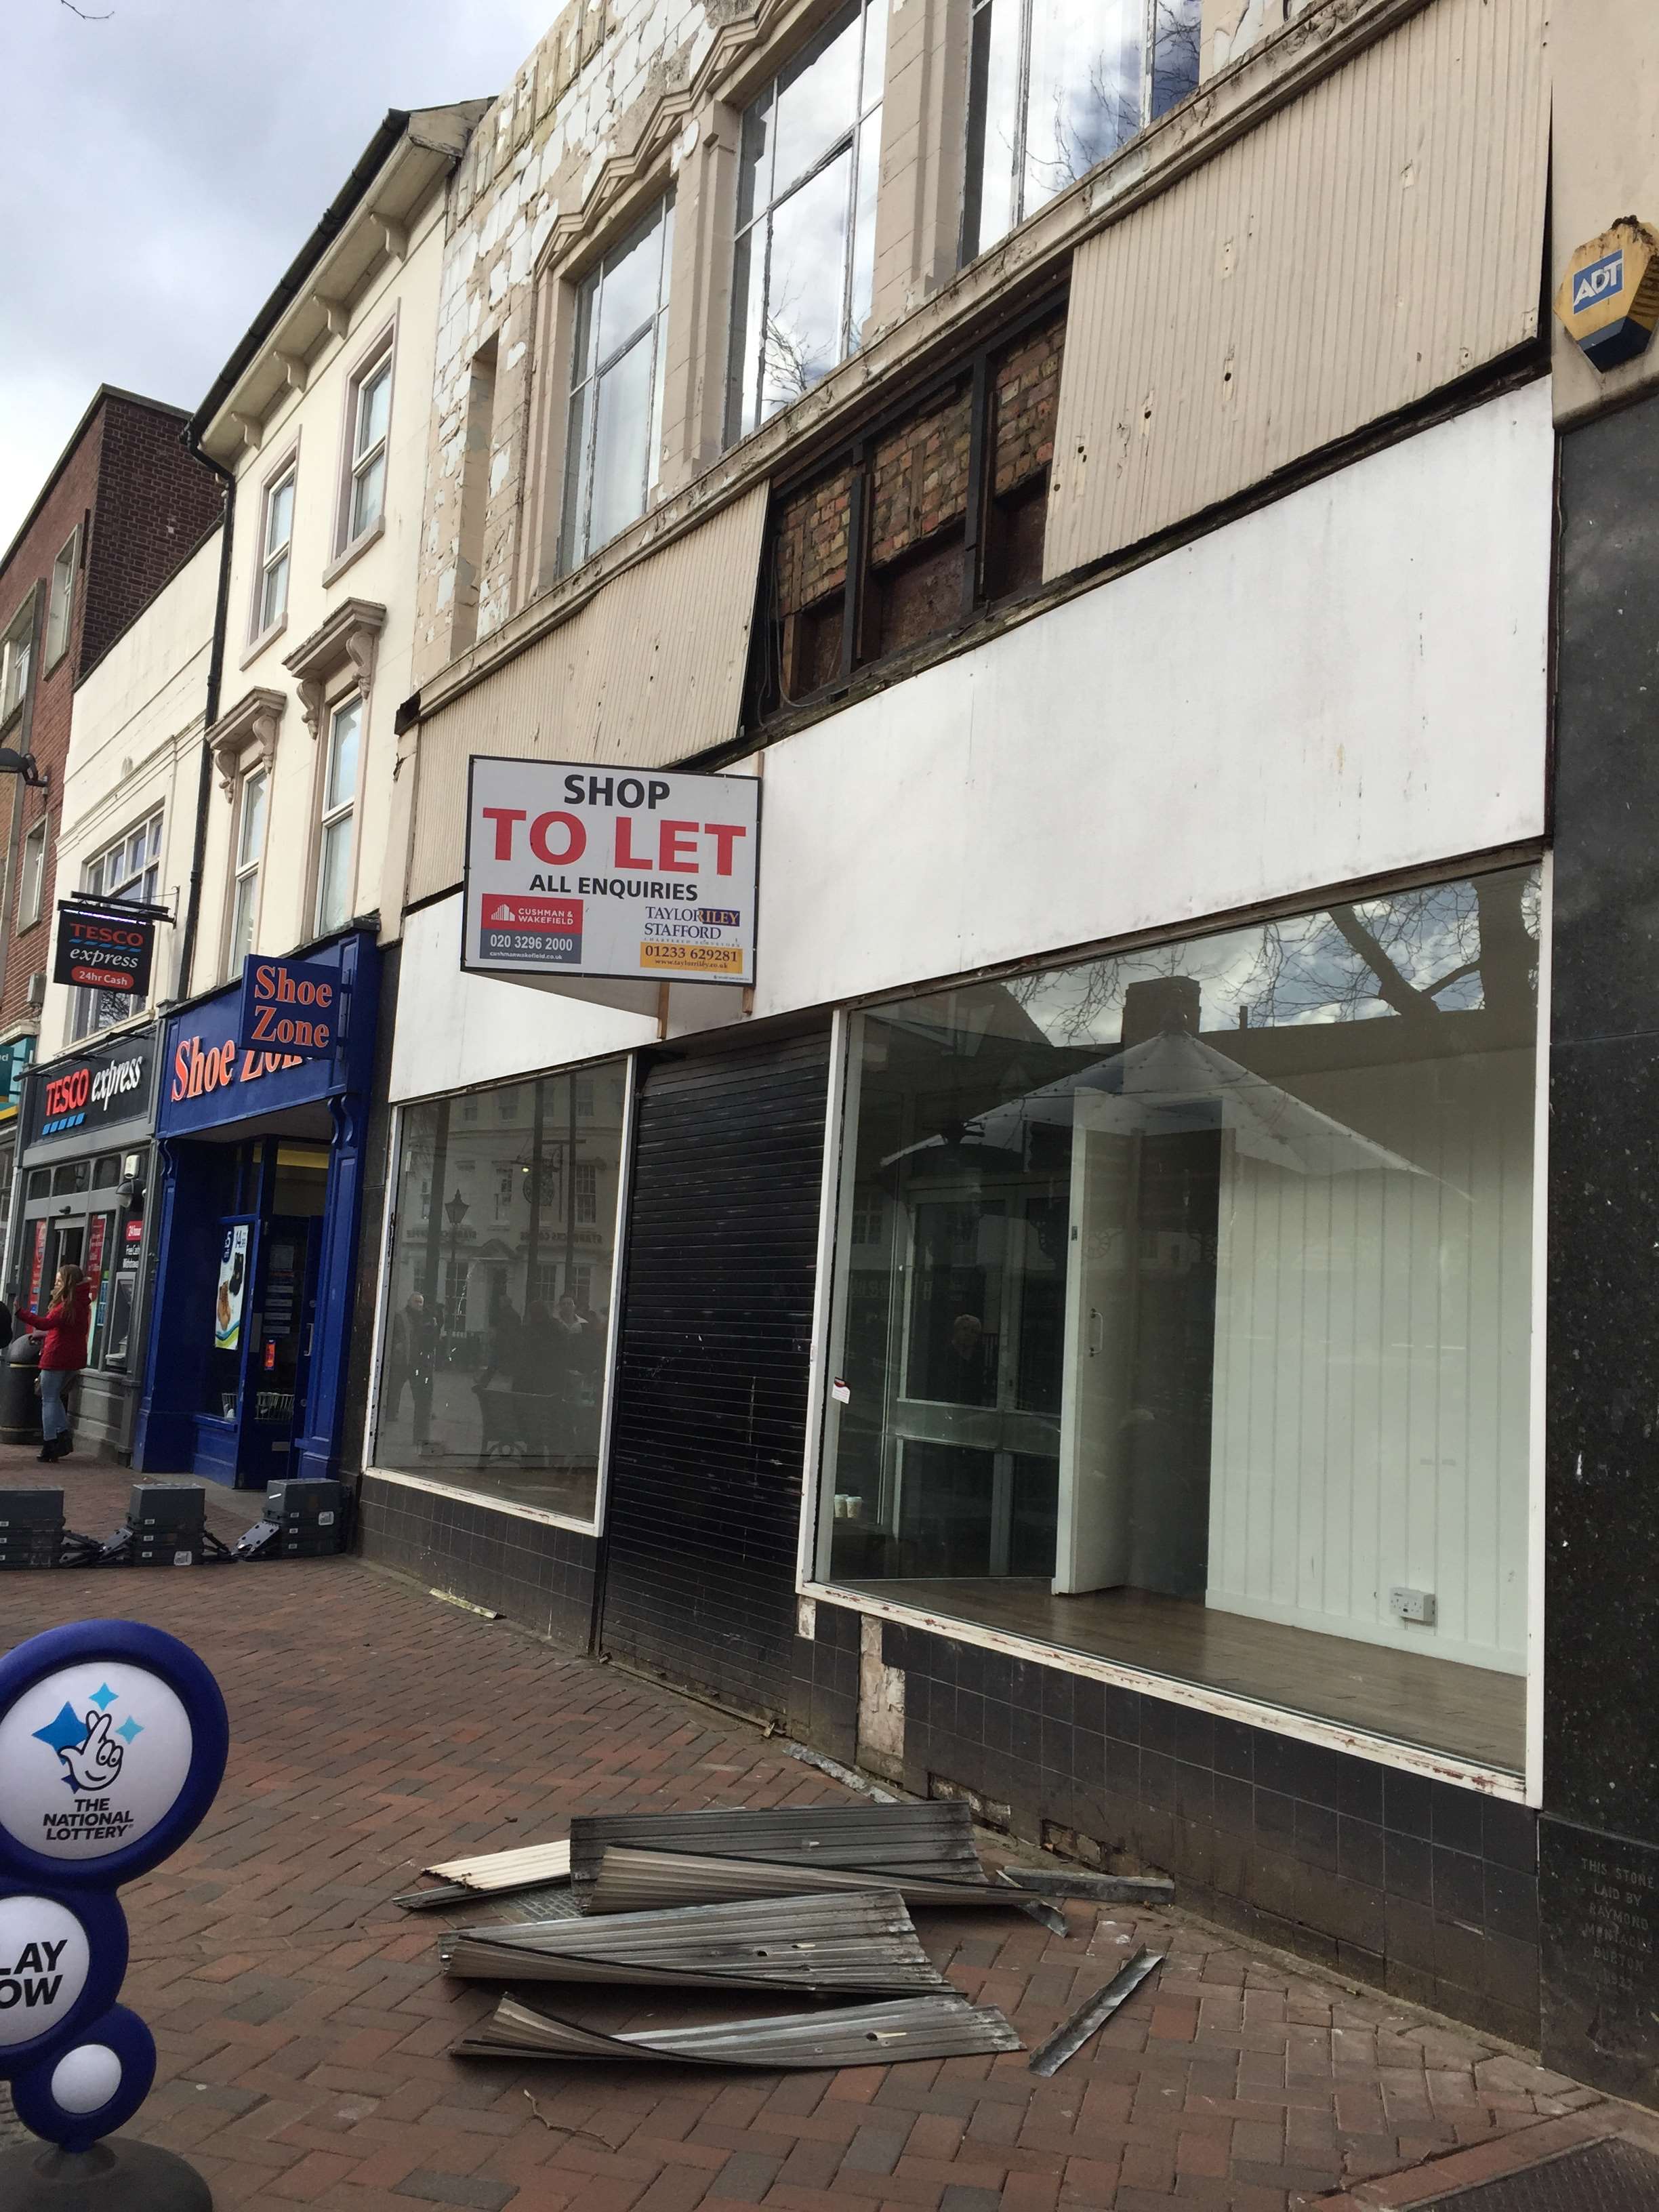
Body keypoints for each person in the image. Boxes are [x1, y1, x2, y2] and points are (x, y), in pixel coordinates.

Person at [18, 1263, 91, 1463]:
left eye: (59, 1280)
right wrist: (45, 1334)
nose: (56, 1284)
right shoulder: (82, 1303)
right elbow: (62, 1329)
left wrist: (20, 1312)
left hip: (56, 1356)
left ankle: (51, 1443)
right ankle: (63, 1436)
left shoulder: (67, 1305)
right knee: (54, 1397)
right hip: (73, 1357)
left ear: (67, 1282)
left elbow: (45, 1323)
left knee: (48, 1400)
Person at [387, 1290, 441, 1451]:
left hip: (422, 1364)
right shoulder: (400, 1316)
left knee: (423, 1401)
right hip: (403, 1362)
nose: (419, 1305)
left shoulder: (428, 1319)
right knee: (393, 1391)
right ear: (409, 1302)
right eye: (416, 1301)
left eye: (421, 1302)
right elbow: (394, 1336)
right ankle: (390, 1415)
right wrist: (396, 1348)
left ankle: (420, 1437)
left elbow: (433, 1341)